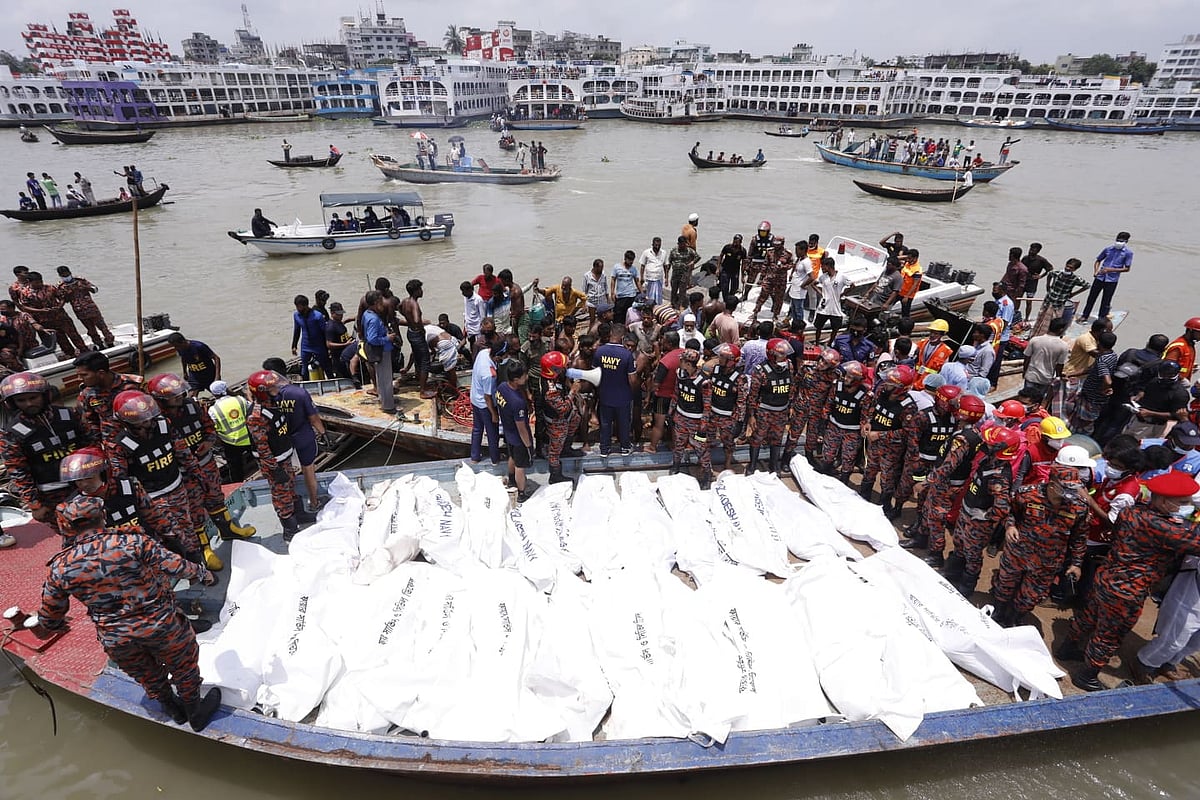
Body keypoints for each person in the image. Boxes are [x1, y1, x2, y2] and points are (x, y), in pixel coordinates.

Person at [31, 494, 221, 730]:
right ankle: (195, 711)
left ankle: (171, 706)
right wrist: (204, 574)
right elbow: (176, 566)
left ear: (67, 526)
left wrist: (55, 624)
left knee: (147, 674)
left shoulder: (60, 566)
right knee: (184, 666)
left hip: (117, 638)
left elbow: (49, 617)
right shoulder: (132, 542)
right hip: (161, 625)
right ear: (103, 517)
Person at [1060, 471, 1200, 692]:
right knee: (1109, 635)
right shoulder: (1167, 527)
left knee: (1088, 616)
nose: (1188, 506)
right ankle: (1087, 675)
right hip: (1127, 591)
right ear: (1163, 501)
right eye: (1183, 502)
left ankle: (1067, 648)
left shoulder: (1132, 511)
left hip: (1107, 576)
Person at [147, 373, 257, 544]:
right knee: (195, 508)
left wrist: (208, 441)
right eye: (173, 395)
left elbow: (209, 427)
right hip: (184, 474)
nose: (179, 397)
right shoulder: (155, 422)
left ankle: (228, 529)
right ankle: (204, 546)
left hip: (206, 464)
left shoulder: (192, 406)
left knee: (216, 497)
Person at [110, 390, 214, 567]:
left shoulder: (164, 425)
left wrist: (199, 474)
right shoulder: (120, 445)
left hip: (177, 486)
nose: (147, 422)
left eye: (148, 418)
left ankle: (198, 564)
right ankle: (187, 566)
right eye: (141, 420)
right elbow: (121, 477)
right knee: (172, 535)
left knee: (187, 527)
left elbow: (182, 452)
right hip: (153, 497)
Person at [990, 463, 1091, 627]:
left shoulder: (1079, 507)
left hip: (1047, 563)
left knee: (1031, 596)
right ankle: (998, 612)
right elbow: (1009, 511)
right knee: (1005, 585)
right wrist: (1010, 526)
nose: (1073, 493)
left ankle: (1015, 618)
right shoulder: (1028, 494)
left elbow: (1079, 537)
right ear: (1052, 485)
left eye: (1075, 488)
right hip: (1018, 553)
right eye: (1067, 488)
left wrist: (1076, 564)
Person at [0, 372, 92, 534]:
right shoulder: (12, 433)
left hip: (87, 484)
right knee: (73, 535)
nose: (28, 404)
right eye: (21, 400)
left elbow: (91, 444)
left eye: (33, 398)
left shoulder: (70, 415)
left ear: (45, 395)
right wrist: (35, 505)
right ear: (12, 404)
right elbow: (18, 472)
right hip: (52, 495)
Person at [943, 425, 1022, 597]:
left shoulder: (999, 476)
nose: (985, 445)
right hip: (966, 512)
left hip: (977, 523)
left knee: (972, 555)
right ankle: (952, 573)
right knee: (959, 545)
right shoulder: (989, 462)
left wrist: (985, 517)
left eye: (990, 444)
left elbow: (1002, 507)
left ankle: (966, 586)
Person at [245, 370, 313, 540]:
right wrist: (274, 469)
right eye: (272, 388)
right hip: (274, 462)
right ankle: (289, 530)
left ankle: (300, 514)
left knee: (290, 487)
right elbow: (262, 447)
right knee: (281, 493)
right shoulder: (257, 416)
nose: (277, 390)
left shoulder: (273, 405)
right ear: (262, 392)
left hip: (284, 456)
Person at [859, 365, 920, 519]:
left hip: (891, 449)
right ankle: (863, 496)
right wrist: (867, 422)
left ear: (899, 388)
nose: (885, 384)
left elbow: (906, 432)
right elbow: (872, 408)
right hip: (874, 443)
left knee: (887, 479)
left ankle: (884, 506)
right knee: (869, 470)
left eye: (890, 384)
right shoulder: (882, 393)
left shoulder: (908, 407)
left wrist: (880, 435)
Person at [271, 367, 330, 516]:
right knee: (308, 469)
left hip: (282, 438)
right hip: (303, 436)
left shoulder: (270, 395)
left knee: (286, 470)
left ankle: (291, 505)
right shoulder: (299, 393)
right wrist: (323, 432)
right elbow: (313, 417)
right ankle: (314, 502)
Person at [74, 350, 144, 450]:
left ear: (101, 373)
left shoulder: (133, 384)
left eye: (84, 375)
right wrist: (98, 445)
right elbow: (90, 421)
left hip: (139, 439)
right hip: (113, 446)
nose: (79, 379)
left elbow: (149, 411)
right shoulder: (87, 394)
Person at [746, 339, 794, 475]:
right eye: (781, 355)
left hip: (781, 411)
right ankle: (752, 465)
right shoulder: (760, 370)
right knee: (757, 439)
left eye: (785, 354)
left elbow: (791, 386)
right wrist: (751, 416)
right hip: (764, 412)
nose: (784, 357)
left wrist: (790, 406)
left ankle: (774, 466)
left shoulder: (789, 366)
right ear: (772, 354)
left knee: (777, 439)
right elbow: (753, 395)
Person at [16, 270, 88, 358]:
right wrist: (41, 310)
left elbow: (62, 297)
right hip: (45, 320)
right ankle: (70, 354)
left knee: (73, 334)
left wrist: (59, 306)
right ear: (29, 282)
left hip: (61, 316)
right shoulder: (25, 293)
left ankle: (84, 350)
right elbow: (25, 307)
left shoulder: (49, 287)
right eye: (37, 282)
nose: (40, 284)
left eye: (41, 281)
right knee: (60, 338)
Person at [592, 322, 638, 457]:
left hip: (605, 394)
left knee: (605, 423)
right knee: (624, 422)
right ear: (623, 337)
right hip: (623, 396)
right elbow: (633, 380)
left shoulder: (599, 351)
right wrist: (633, 392)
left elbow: (595, 374)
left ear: (610, 334)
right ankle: (624, 447)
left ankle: (604, 449)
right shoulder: (626, 355)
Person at [670, 349, 713, 486]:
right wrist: (670, 412)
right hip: (681, 417)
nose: (680, 362)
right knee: (678, 445)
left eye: (682, 360)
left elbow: (707, 406)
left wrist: (703, 427)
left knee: (701, 449)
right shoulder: (680, 374)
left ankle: (707, 474)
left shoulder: (704, 382)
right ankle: (676, 467)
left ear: (688, 363)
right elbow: (676, 393)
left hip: (697, 422)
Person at [494, 360, 536, 502]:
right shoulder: (517, 402)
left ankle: (511, 480)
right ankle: (522, 493)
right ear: (516, 379)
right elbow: (522, 427)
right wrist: (529, 446)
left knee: (512, 456)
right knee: (521, 465)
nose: (527, 378)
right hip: (518, 438)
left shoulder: (501, 387)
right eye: (524, 376)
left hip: (508, 432)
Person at [538, 351, 581, 484]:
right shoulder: (550, 391)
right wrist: (573, 392)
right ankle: (555, 475)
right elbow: (562, 408)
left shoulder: (552, 376)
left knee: (576, 419)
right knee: (555, 449)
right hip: (557, 420)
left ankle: (566, 449)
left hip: (566, 415)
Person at [55, 265, 115, 350]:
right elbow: (63, 300)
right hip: (79, 311)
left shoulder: (80, 280)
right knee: (91, 330)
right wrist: (67, 294)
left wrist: (86, 287)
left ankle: (110, 343)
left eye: (66, 274)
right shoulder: (61, 287)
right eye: (63, 275)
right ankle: (99, 345)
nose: (66, 277)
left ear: (70, 273)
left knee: (103, 327)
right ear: (60, 276)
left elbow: (95, 289)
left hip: (91, 308)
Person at [1080, 232, 1133, 323]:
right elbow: (1098, 260)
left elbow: (1127, 269)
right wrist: (1096, 271)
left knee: (1106, 301)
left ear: (1126, 241)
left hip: (1112, 280)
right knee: (1091, 298)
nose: (1119, 242)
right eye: (1118, 240)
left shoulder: (1128, 253)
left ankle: (1101, 319)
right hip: (1100, 277)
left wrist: (1111, 270)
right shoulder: (1108, 249)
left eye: (1122, 241)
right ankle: (1085, 315)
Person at [207, 380, 254, 483]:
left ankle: (238, 485)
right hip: (249, 437)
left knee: (235, 468)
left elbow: (212, 428)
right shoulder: (239, 399)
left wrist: (218, 441)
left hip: (231, 443)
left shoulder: (213, 410)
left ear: (214, 394)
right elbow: (252, 411)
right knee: (260, 459)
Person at [360, 290, 398, 413]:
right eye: (381, 301)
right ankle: (388, 406)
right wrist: (387, 338)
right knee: (386, 379)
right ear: (376, 303)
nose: (384, 303)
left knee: (381, 377)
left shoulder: (366, 313)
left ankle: (383, 399)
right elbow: (372, 339)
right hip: (382, 351)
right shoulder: (374, 319)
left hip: (379, 350)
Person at [399, 279, 436, 399]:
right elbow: (416, 320)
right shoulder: (414, 304)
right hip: (417, 333)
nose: (422, 291)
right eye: (420, 289)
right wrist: (421, 326)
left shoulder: (405, 301)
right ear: (415, 291)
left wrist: (408, 320)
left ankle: (419, 380)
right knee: (425, 360)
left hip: (410, 332)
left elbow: (399, 309)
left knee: (417, 355)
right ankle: (423, 390)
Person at [470, 338, 502, 465]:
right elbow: (488, 396)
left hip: (475, 399)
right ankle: (495, 459)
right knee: (492, 433)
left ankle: (475, 457)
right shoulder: (490, 374)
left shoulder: (483, 353)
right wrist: (494, 414)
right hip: (485, 405)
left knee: (477, 429)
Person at [1022, 317, 1070, 396]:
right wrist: (1058, 377)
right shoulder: (1063, 346)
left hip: (1031, 376)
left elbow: (1027, 358)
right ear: (1061, 330)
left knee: (1026, 398)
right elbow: (1059, 365)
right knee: (1038, 400)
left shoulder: (1035, 340)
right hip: (1045, 379)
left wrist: (1024, 371)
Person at [290, 295, 332, 380]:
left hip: (319, 345)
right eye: (296, 306)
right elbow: (297, 330)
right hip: (306, 346)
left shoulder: (317, 316)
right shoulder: (296, 315)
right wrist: (294, 346)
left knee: (326, 367)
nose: (298, 309)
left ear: (306, 306)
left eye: (299, 307)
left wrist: (328, 346)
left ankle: (332, 383)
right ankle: (305, 386)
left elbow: (325, 332)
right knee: (304, 369)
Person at [752, 237, 792, 322]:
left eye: (778, 244)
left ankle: (775, 315)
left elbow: (791, 265)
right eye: (775, 244)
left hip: (781, 280)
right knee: (763, 295)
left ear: (782, 244)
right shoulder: (770, 252)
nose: (776, 246)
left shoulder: (788, 254)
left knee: (779, 298)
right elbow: (765, 265)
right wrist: (761, 278)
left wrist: (783, 267)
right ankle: (755, 312)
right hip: (769, 278)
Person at [1021, 242, 1054, 320]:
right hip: (1022, 282)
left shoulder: (1041, 260)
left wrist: (1041, 276)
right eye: (1030, 249)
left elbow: (1050, 269)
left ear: (1038, 251)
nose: (1031, 251)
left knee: (1029, 302)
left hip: (1032, 284)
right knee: (1018, 299)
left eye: (1033, 250)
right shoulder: (1025, 258)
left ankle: (1026, 318)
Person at [668, 235, 701, 309]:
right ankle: (673, 303)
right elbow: (670, 261)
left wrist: (692, 262)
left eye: (684, 244)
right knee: (674, 289)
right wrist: (667, 275)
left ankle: (680, 304)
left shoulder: (689, 250)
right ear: (678, 243)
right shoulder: (674, 250)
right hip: (675, 273)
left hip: (684, 274)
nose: (682, 245)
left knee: (682, 290)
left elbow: (698, 257)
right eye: (681, 244)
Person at [1163, 318, 1200, 382]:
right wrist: (1182, 379)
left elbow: (1181, 364)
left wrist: (1191, 366)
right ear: (1191, 330)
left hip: (1178, 384)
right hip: (1171, 384)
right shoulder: (1179, 346)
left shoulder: (1189, 345)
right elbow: (1168, 368)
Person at [637, 237, 667, 305]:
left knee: (658, 295)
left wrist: (666, 278)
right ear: (652, 244)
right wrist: (641, 277)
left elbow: (665, 266)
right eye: (656, 245)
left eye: (659, 245)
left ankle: (657, 307)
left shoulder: (664, 253)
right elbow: (642, 265)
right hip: (649, 278)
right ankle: (649, 308)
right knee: (649, 296)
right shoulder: (646, 252)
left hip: (659, 278)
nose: (657, 247)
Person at [718, 234, 747, 299]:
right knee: (724, 287)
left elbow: (743, 264)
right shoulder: (727, 247)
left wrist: (742, 276)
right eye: (734, 241)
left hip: (735, 271)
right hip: (725, 269)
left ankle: (731, 299)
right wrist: (718, 268)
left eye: (737, 242)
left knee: (734, 287)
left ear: (740, 242)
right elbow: (721, 256)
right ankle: (725, 299)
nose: (735, 243)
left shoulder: (743, 251)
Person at [897, 250, 923, 318]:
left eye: (909, 258)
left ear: (915, 258)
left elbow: (915, 285)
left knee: (905, 311)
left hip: (907, 294)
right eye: (907, 258)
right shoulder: (907, 263)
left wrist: (907, 296)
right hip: (900, 290)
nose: (907, 259)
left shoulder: (917, 270)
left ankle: (905, 323)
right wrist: (907, 256)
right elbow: (895, 258)